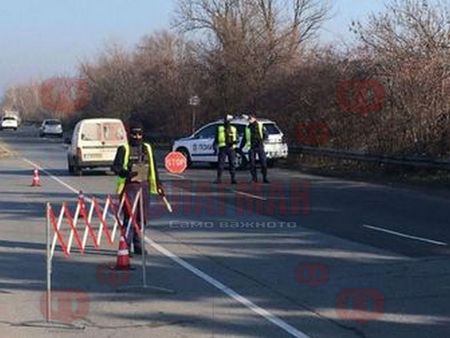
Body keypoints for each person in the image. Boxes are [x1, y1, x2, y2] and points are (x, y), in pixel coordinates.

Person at [112, 121, 164, 255]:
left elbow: (154, 168)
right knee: (129, 217)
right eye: (134, 134)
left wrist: (159, 184)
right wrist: (127, 173)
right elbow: (115, 167)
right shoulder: (124, 148)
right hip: (129, 187)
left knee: (142, 218)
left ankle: (138, 245)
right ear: (130, 134)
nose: (137, 137)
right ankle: (126, 246)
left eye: (139, 134)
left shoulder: (147, 148)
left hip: (144, 186)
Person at [241, 113, 269, 183]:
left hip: (259, 146)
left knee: (263, 162)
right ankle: (254, 178)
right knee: (252, 164)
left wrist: (263, 141)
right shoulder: (247, 127)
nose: (249, 120)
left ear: (254, 118)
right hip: (251, 147)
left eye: (251, 118)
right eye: (249, 119)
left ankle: (264, 178)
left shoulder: (260, 125)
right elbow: (244, 138)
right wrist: (240, 147)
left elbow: (266, 135)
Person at [213, 115, 238, 184]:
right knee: (221, 164)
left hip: (231, 147)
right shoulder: (220, 128)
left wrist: (235, 143)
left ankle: (233, 179)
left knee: (232, 164)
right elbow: (216, 139)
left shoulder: (233, 128)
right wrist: (215, 147)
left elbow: (237, 137)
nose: (227, 122)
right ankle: (219, 178)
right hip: (223, 147)